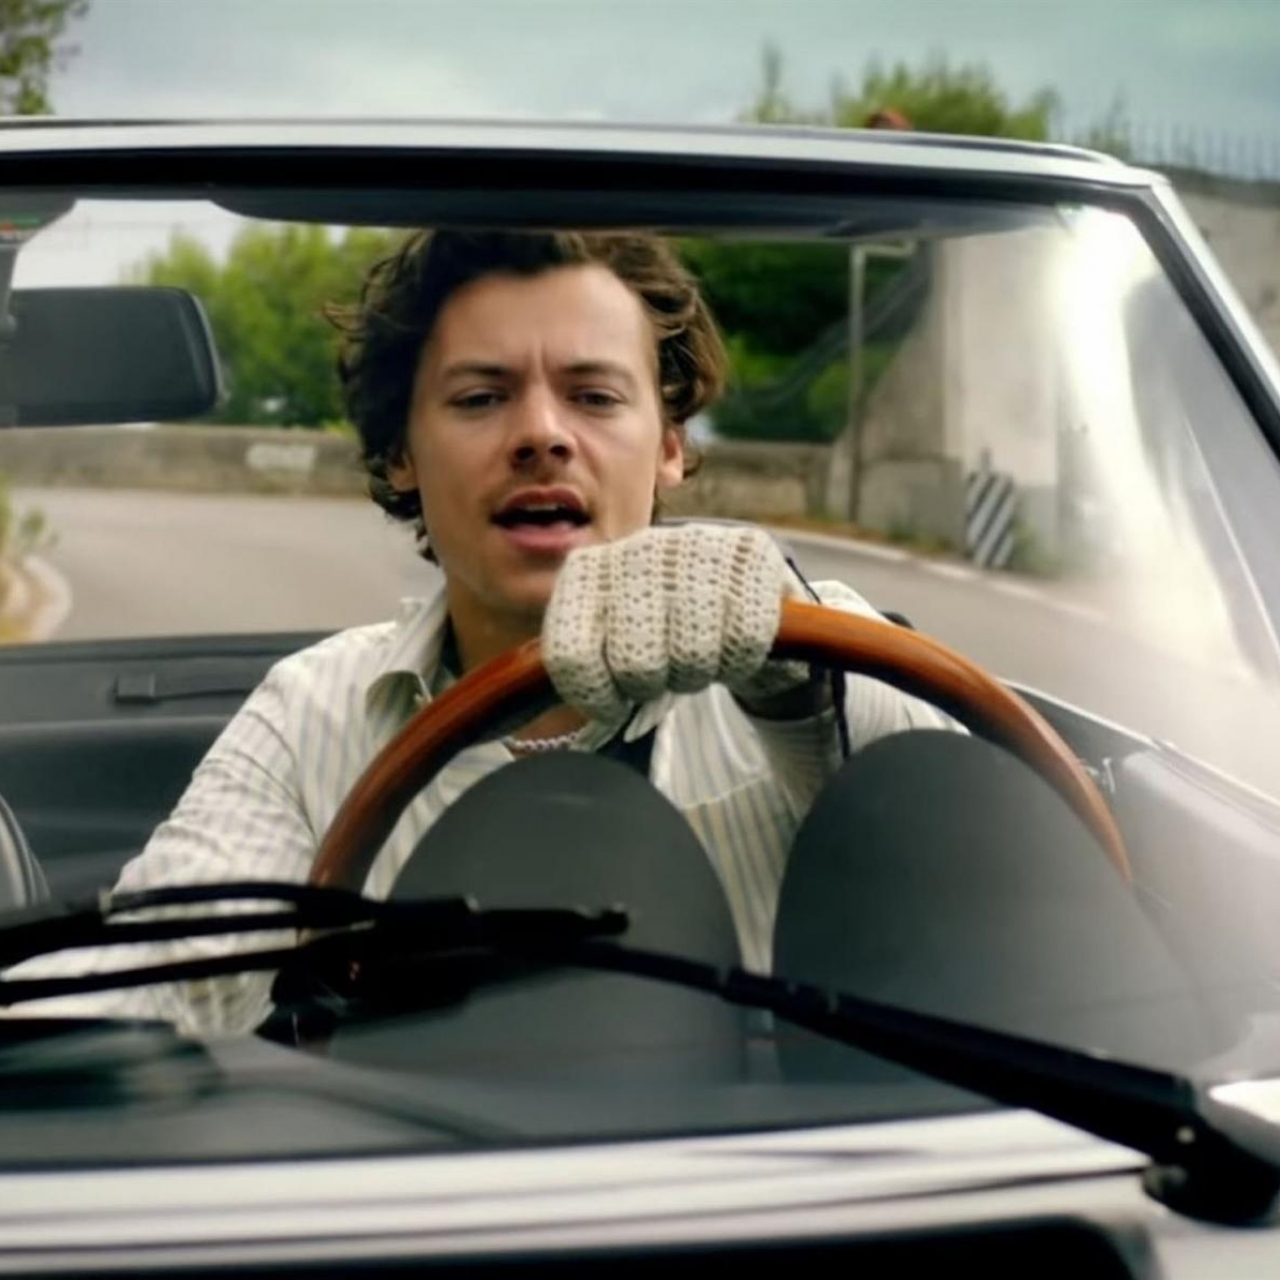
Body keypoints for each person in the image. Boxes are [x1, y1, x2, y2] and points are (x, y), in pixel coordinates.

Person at [9, 230, 953, 1036]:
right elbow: (162, 965)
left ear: (670, 446)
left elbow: (977, 868)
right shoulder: (312, 710)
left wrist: (790, 681)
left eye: (594, 396)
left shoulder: (820, 639)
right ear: (400, 454)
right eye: (479, 398)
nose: (541, 434)